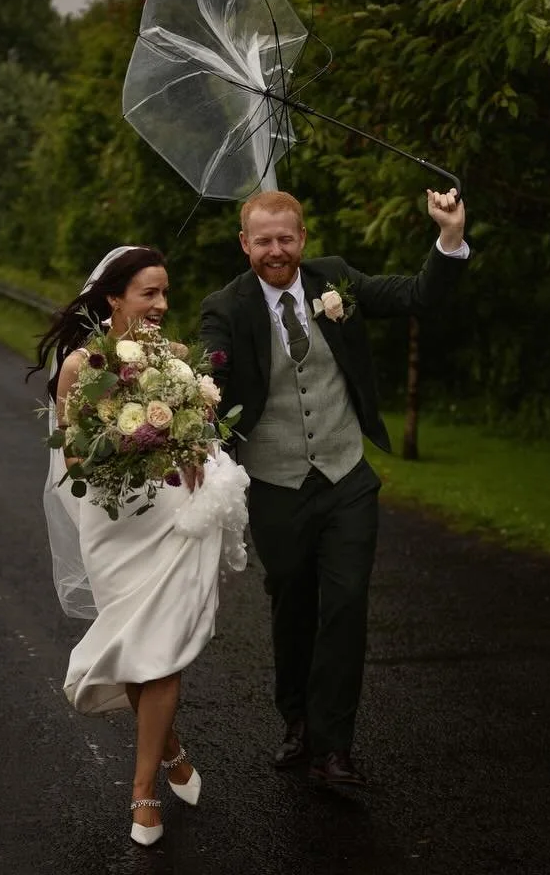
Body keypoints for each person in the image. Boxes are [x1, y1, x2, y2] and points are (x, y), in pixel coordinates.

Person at [199, 187, 468, 785]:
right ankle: (297, 722)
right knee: (293, 604)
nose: (277, 250)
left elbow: (415, 295)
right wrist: (194, 385)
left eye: (286, 238)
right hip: (275, 483)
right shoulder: (227, 306)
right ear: (245, 244)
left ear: (303, 238)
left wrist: (448, 237)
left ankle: (334, 746)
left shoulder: (336, 280)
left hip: (347, 477)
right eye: (264, 240)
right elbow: (210, 367)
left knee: (345, 606)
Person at [30, 245, 245, 846]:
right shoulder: (80, 366)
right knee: (132, 644)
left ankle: (142, 790)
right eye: (149, 292)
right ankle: (169, 747)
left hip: (170, 521)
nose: (161, 305)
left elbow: (198, 432)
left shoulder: (175, 360)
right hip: (112, 522)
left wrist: (193, 446)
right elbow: (74, 458)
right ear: (113, 298)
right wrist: (133, 444)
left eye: (165, 293)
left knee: (164, 646)